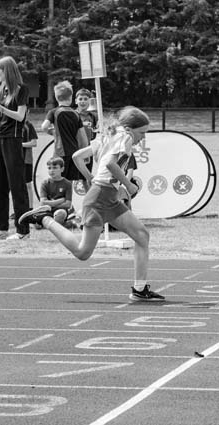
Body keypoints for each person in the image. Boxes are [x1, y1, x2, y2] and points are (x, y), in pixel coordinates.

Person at [19, 106, 163, 302]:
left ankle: (139, 289)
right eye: (142, 133)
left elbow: (78, 157)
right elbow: (111, 165)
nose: (143, 138)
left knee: (142, 235)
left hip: (107, 195)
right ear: (130, 128)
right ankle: (44, 218)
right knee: (82, 252)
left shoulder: (109, 135)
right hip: (99, 198)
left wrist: (91, 177)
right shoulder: (125, 137)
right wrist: (128, 185)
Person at [0, 56, 31, 240]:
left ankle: (22, 230)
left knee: (17, 184)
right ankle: (0, 228)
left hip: (13, 139)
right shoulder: (0, 90)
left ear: (6, 71)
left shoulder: (21, 90)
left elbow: (19, 116)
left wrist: (0, 109)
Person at [41, 81, 89, 183]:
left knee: (58, 182)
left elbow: (44, 126)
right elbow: (83, 138)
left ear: (56, 97)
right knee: (68, 183)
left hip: (60, 153)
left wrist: (53, 132)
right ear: (71, 97)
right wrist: (85, 154)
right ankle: (68, 199)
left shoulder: (53, 112)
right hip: (74, 154)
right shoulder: (76, 114)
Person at [38, 157, 75, 225]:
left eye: (55, 168)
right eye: (49, 168)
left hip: (60, 210)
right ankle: (59, 222)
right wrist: (60, 200)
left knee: (60, 214)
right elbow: (42, 202)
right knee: (37, 222)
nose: (52, 170)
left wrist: (51, 205)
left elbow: (68, 204)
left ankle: (57, 221)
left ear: (62, 169)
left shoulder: (67, 184)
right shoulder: (45, 183)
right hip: (47, 210)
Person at [23, 120, 38, 212]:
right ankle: (18, 209)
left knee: (27, 184)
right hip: (13, 159)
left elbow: (34, 143)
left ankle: (30, 208)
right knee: (14, 185)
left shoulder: (29, 125)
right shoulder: (11, 123)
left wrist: (19, 145)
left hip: (26, 160)